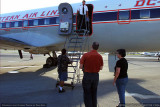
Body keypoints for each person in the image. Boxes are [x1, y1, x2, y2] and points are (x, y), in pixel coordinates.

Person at [80, 42, 103, 107]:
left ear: (91, 46)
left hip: (87, 75)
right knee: (94, 93)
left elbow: (81, 67)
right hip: (95, 76)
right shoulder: (99, 56)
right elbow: (101, 68)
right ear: (97, 48)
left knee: (87, 93)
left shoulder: (85, 55)